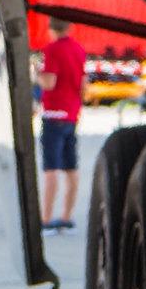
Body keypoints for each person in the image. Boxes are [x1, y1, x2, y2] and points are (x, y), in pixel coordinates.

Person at [35, 17, 88, 232]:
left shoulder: (52, 50)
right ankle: (66, 215)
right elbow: (84, 84)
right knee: (71, 167)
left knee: (51, 168)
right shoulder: (79, 49)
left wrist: (35, 73)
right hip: (71, 113)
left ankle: (46, 218)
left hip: (53, 113)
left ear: (50, 29)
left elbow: (49, 82)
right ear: (70, 26)